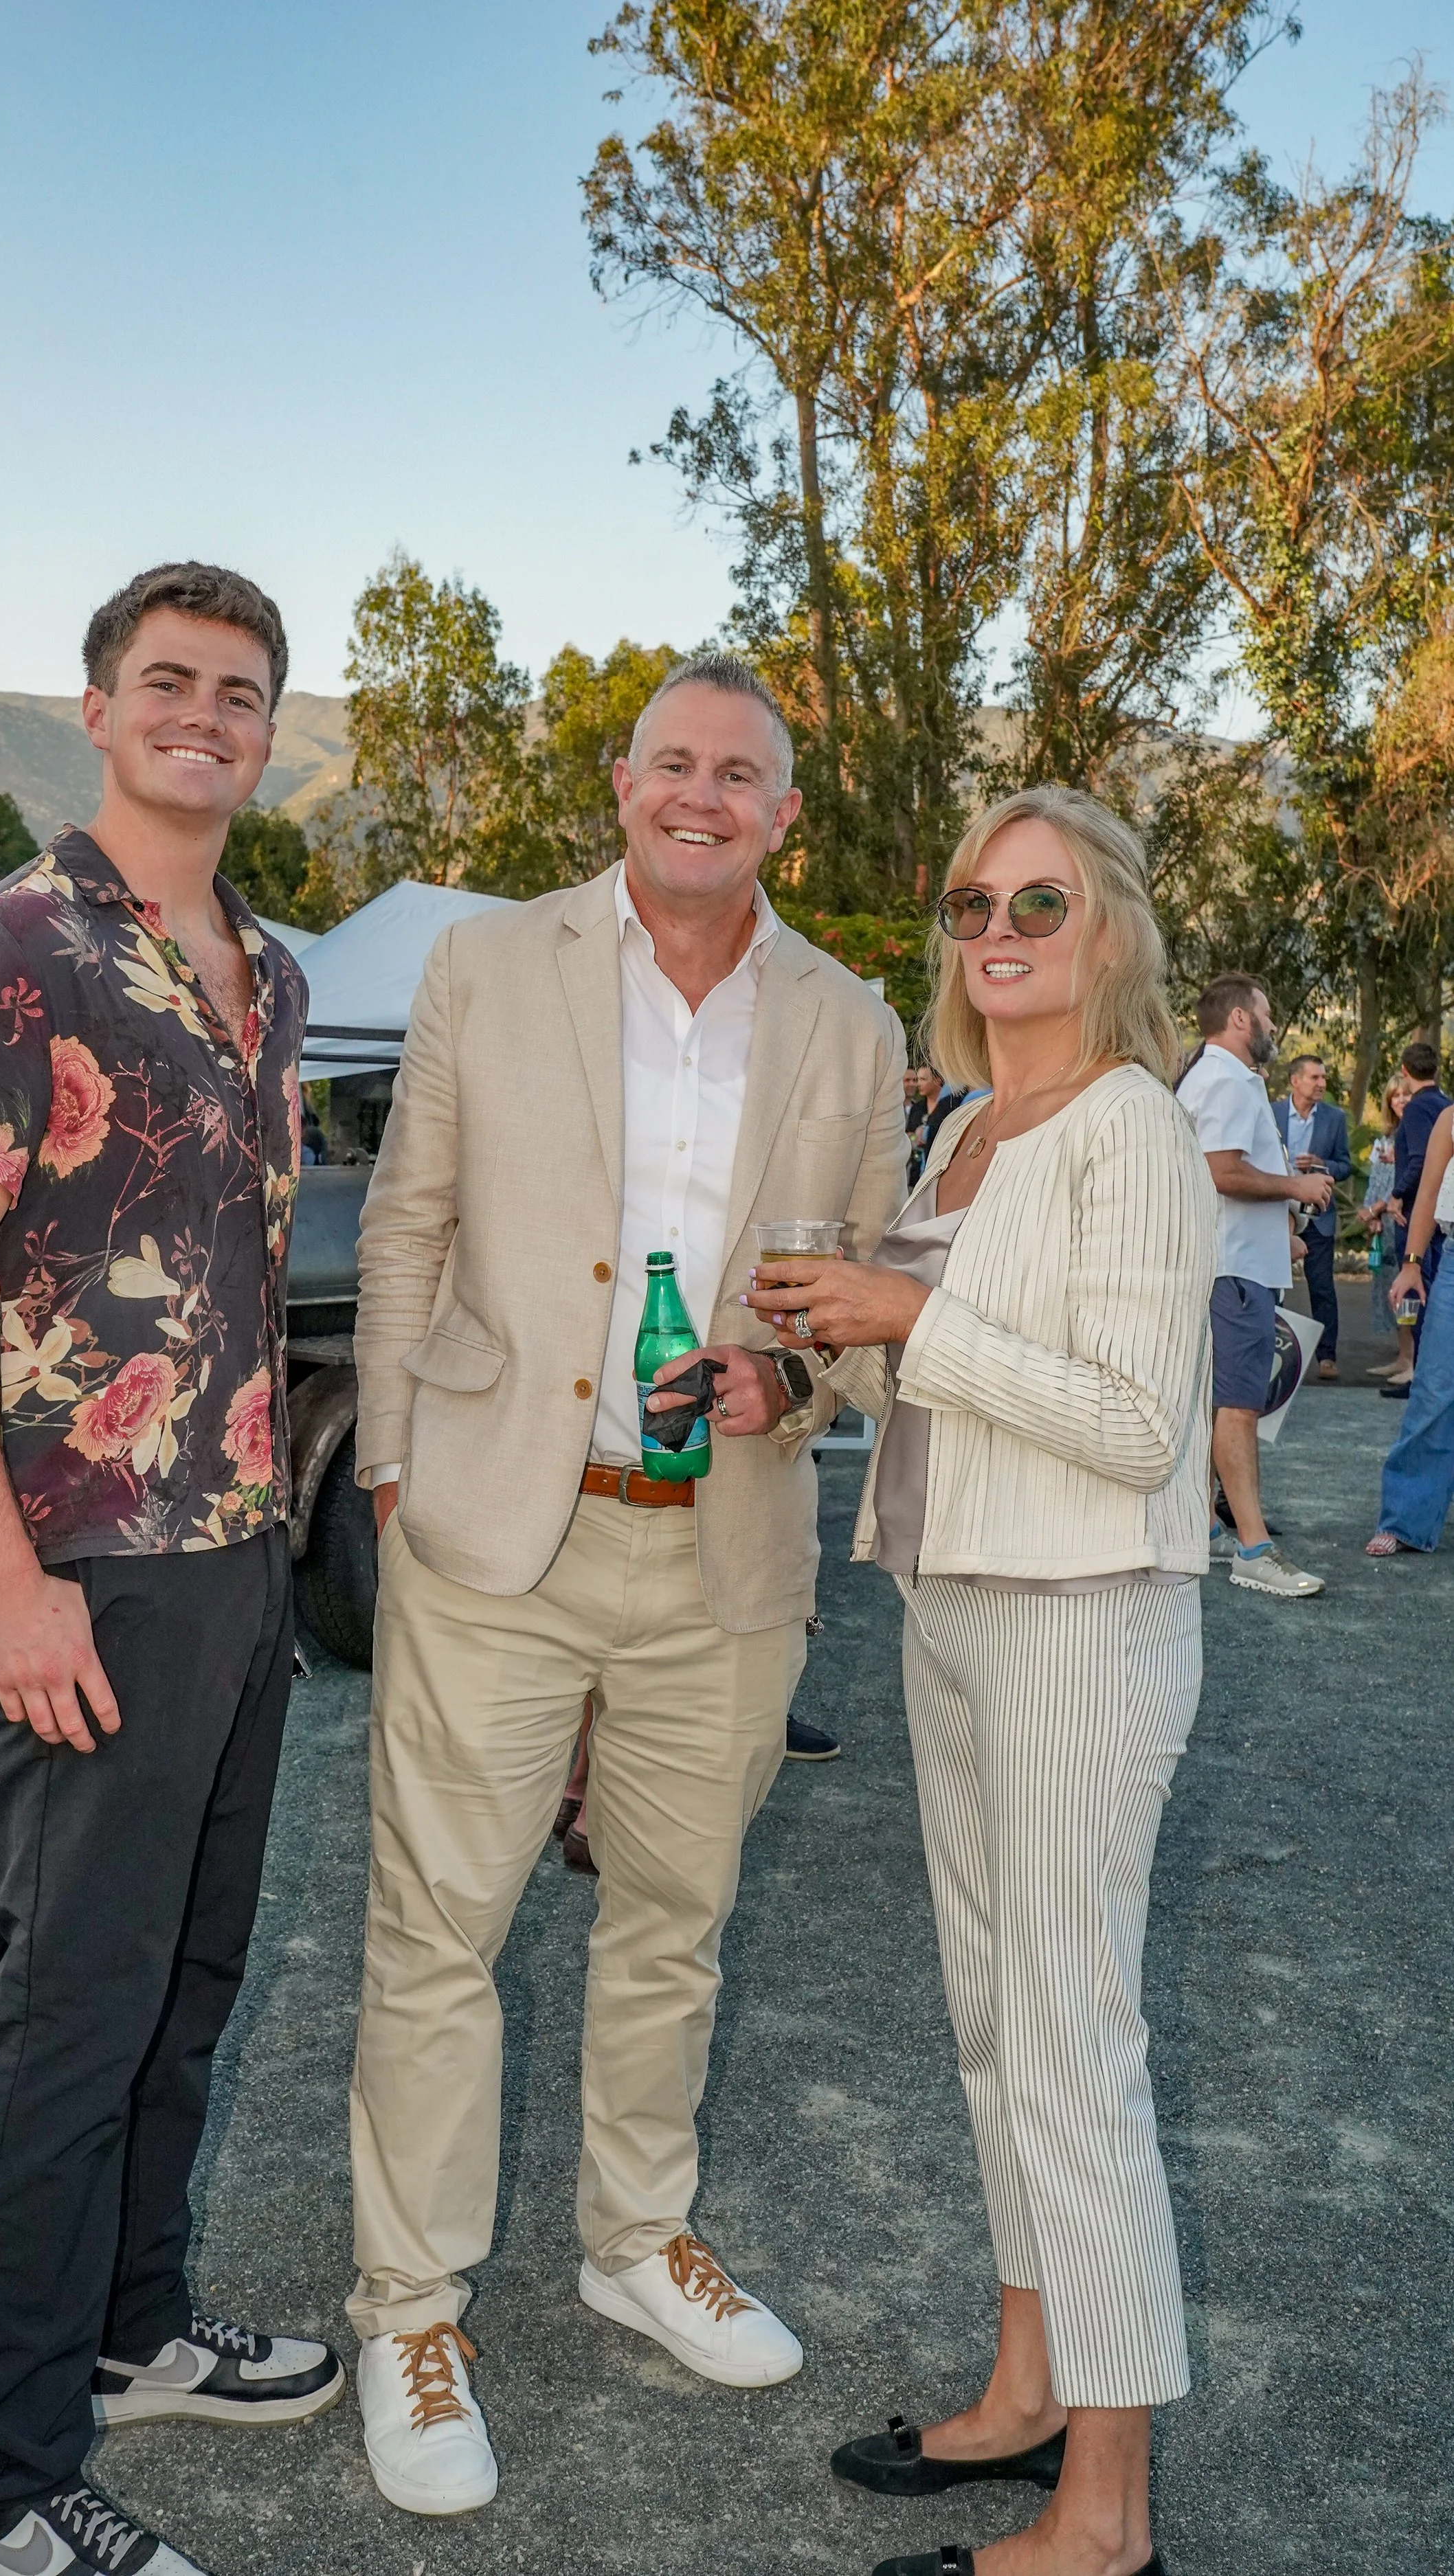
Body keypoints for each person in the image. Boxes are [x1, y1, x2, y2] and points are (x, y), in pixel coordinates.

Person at [346, 651, 908, 2516]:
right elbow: (408, 1218)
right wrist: (394, 1462)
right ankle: (407, 2305)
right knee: (443, 1933)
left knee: (674, 1915)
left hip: (722, 1536)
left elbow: (854, 1286)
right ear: (619, 782)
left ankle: (631, 2232)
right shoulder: (484, 964)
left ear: (781, 813)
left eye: (738, 772)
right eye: (671, 761)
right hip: (499, 1523)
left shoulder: (846, 1017)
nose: (700, 793)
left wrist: (792, 1379)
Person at [0, 564, 335, 2576]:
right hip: (80, 1573)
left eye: (240, 692)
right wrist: (4, 1577)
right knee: (68, 2014)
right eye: (171, 681)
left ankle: (136, 2324)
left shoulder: (269, 969)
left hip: (235, 1565)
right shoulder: (10, 952)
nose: (205, 715)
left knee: (186, 1980)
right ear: (97, 706)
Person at [743, 783, 1214, 2576]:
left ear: (1105, 929)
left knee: (1073, 2044)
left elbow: (1127, 1419)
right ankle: (1026, 2385)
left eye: (1041, 898)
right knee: (989, 2023)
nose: (1000, 928)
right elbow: (935, 1389)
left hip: (1082, 1613)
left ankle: (1104, 2513)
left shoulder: (1130, 1128)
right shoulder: (956, 1131)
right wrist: (818, 1361)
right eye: (970, 902)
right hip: (942, 1602)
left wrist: (906, 1318)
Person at [1176, 976, 1332, 1597]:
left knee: (1216, 1406)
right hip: (1232, 1271)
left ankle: (1208, 1528)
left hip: (1230, 1263)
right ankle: (1253, 1548)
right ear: (1241, 1019)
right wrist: (1297, 1190)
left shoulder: (1210, 1077)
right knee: (1239, 1409)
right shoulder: (1229, 1079)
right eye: (1267, 1016)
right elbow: (1222, 1171)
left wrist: (1282, 1228)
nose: (1273, 1027)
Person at [1367, 1101, 1454, 1557]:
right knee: (1435, 1391)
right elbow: (1428, 1193)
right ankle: (1406, 1520)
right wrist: (1412, 1265)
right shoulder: (1450, 1119)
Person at [1271, 1053, 1351, 1379]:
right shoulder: (1272, 1112)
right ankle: (1276, 1358)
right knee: (1274, 1287)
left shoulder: (1335, 1118)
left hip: (1318, 1216)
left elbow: (1346, 1165)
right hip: (1279, 1214)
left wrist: (1323, 1164)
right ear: (1295, 1081)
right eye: (1315, 1078)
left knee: (1321, 1288)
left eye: (1323, 1078)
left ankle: (1326, 1357)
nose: (1322, 1084)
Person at [1383, 1039, 1451, 1383]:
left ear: (1405, 1072)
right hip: (1441, 1219)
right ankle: (1413, 1366)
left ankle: (1419, 1375)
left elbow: (1422, 1162)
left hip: (1416, 1220)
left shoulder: (1419, 1109)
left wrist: (1396, 1195)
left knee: (1417, 1295)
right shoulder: (1445, 1105)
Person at [1362, 1083, 1412, 1380]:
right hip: (1384, 1226)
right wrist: (1371, 1215)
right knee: (1389, 1290)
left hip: (1406, 1221)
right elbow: (1375, 1180)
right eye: (1396, 1095)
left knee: (1410, 1292)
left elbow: (1407, 1178)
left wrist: (1375, 1208)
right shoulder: (1384, 1139)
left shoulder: (1421, 1135)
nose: (1402, 1099)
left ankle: (1413, 1361)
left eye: (1407, 1093)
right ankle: (1402, 1355)